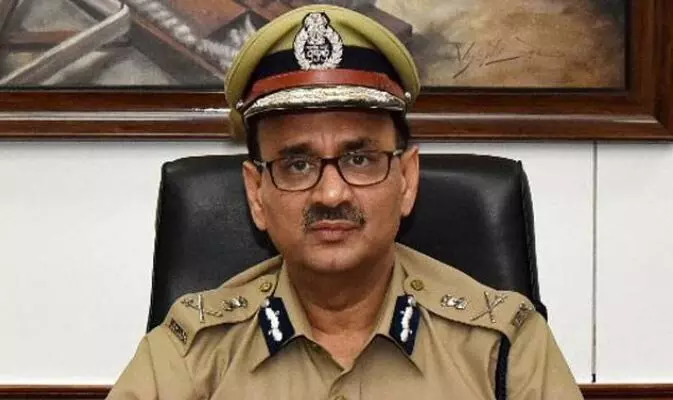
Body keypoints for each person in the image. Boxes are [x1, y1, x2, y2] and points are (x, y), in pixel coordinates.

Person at [107, 5, 582, 399]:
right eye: (297, 164)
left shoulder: (502, 345)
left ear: (407, 179)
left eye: (360, 159)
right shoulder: (191, 350)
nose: (331, 194)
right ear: (256, 193)